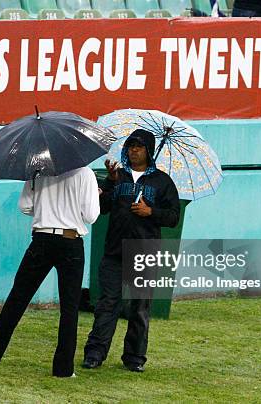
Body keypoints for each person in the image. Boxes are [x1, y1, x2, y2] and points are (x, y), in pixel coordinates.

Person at [0, 166, 100, 377]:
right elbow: (91, 215)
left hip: (41, 238)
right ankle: (63, 368)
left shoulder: (37, 172)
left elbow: (25, 206)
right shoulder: (85, 173)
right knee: (69, 307)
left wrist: (46, 207)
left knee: (18, 298)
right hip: (70, 241)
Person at [83, 129, 181, 373]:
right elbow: (101, 208)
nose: (133, 150)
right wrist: (110, 181)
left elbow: (173, 217)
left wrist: (152, 212)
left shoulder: (162, 181)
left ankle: (135, 358)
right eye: (130, 146)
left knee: (139, 308)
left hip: (144, 253)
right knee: (108, 305)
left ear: (149, 150)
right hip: (114, 252)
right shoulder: (119, 177)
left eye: (139, 147)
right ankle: (95, 354)